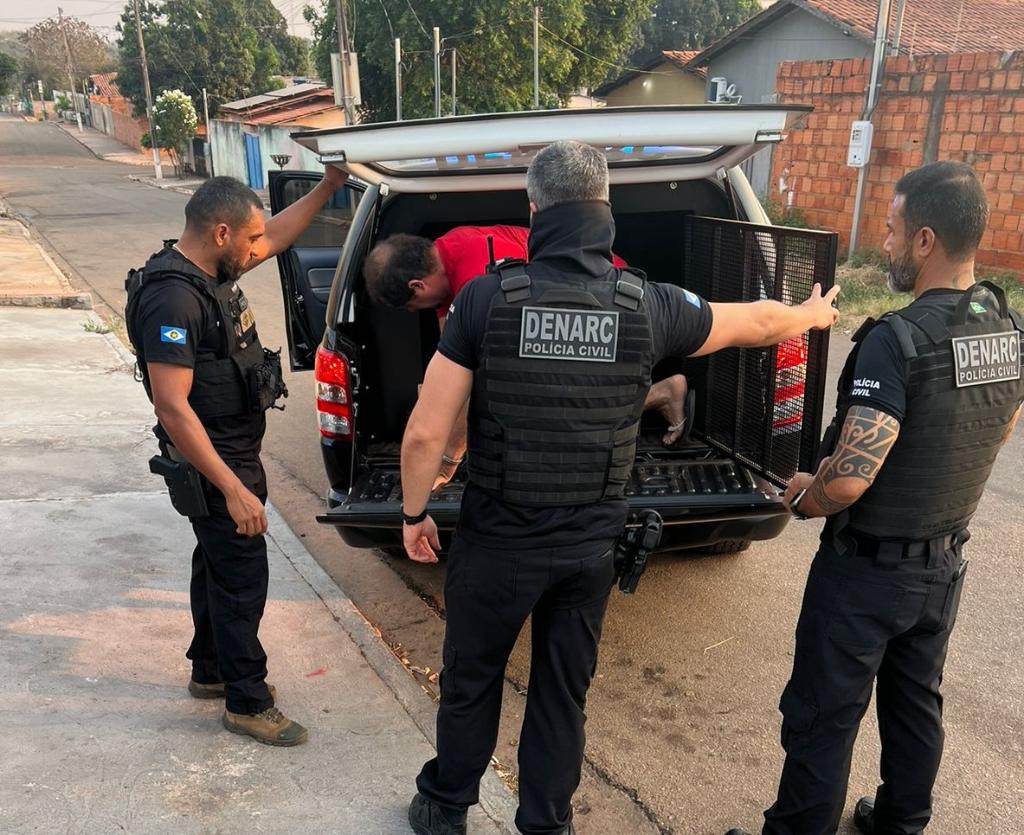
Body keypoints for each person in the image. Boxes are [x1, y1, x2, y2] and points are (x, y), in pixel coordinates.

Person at [399, 140, 840, 835]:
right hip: (589, 547)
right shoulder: (648, 304)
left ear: (534, 209)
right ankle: (547, 823)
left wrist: (414, 512)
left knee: (471, 679)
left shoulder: (485, 298)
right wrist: (811, 316)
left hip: (498, 542)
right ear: (605, 205)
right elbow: (754, 321)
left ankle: (445, 806)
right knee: (561, 694)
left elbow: (426, 433)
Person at [726, 162, 1024, 835]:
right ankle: (900, 822)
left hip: (865, 574)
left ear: (925, 239)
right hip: (943, 565)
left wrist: (805, 497)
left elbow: (850, 478)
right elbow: (1001, 425)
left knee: (823, 716)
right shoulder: (1006, 327)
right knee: (915, 704)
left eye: (891, 230)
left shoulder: (898, 339)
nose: (884, 244)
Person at [124, 170, 349, 746]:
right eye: (249, 239)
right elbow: (173, 407)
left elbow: (277, 236)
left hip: (231, 452)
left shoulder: (210, 268)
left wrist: (329, 186)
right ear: (221, 233)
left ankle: (211, 669)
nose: (257, 250)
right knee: (243, 580)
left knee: (217, 565)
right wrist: (233, 489)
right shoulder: (173, 298)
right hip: (214, 463)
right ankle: (248, 701)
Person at [363, 224, 690, 456]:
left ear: (418, 286)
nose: (416, 311)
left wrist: (447, 456)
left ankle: (662, 392)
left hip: (609, 311)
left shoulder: (476, 276)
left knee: (540, 402)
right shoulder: (444, 253)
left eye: (412, 306)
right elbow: (450, 360)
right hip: (562, 312)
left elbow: (470, 380)